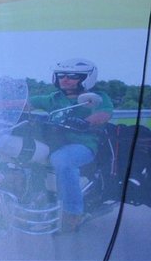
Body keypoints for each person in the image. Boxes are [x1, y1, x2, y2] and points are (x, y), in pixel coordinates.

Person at [23, 58, 115, 234]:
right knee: (23, 151)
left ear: (86, 78)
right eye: (61, 75)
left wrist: (85, 121)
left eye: (72, 76)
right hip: (53, 143)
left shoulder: (97, 97)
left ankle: (72, 213)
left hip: (82, 144)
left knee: (63, 160)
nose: (65, 79)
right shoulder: (53, 98)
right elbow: (25, 104)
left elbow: (103, 114)